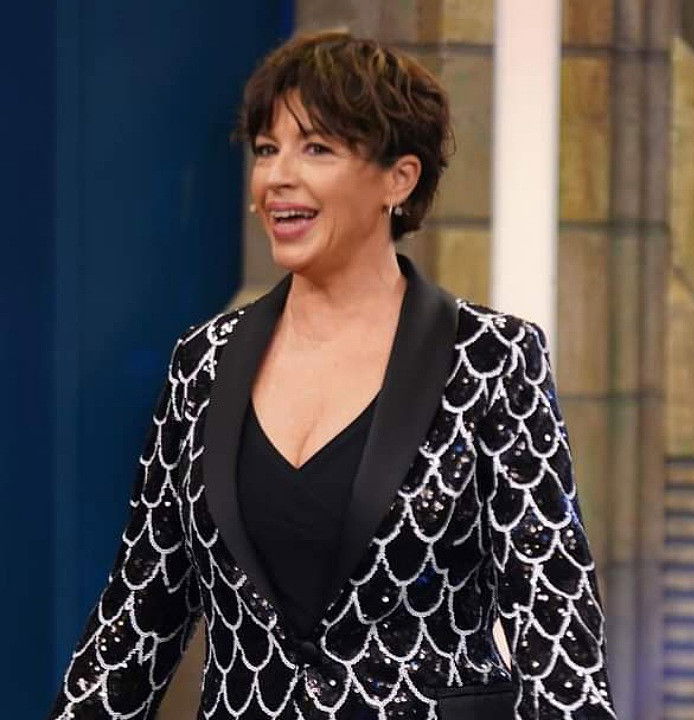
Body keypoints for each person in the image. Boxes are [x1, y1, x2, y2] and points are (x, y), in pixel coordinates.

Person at [50, 31, 614, 720]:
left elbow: (556, 626)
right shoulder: (203, 363)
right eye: (267, 149)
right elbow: (137, 616)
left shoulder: (492, 358)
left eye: (316, 148)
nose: (277, 177)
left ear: (399, 179)